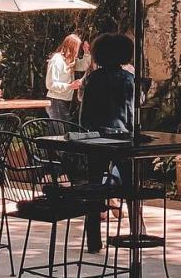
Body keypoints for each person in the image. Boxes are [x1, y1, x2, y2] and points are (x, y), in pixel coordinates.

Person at [78, 33, 136, 251]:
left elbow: (86, 113)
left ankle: (93, 240)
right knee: (131, 188)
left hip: (96, 139)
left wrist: (87, 133)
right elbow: (131, 112)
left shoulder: (93, 79)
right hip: (122, 139)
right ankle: (135, 231)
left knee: (94, 188)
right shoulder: (128, 79)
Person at [44, 34, 84, 123]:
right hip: (55, 100)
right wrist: (70, 86)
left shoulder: (69, 60)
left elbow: (84, 65)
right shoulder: (57, 60)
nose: (78, 51)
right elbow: (50, 84)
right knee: (59, 132)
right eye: (77, 48)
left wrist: (87, 53)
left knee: (63, 130)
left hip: (63, 100)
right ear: (72, 48)